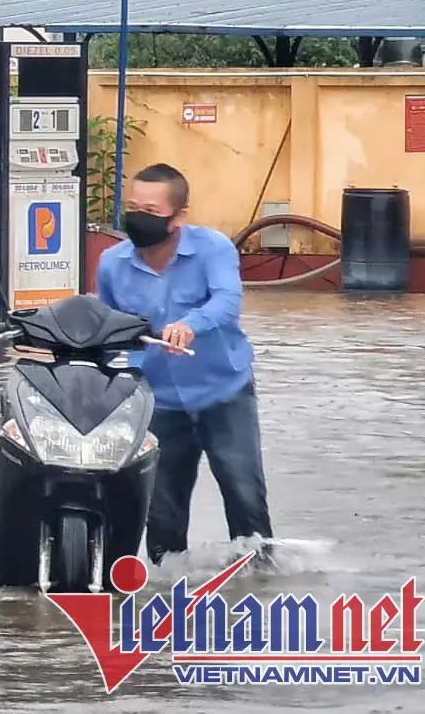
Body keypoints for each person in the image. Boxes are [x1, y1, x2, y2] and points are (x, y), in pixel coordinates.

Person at [94, 162, 273, 564]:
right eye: (133, 208)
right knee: (161, 514)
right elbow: (108, 329)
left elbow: (227, 301)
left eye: (151, 212)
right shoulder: (112, 263)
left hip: (224, 394)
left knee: (245, 498)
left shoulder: (213, 249)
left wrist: (190, 325)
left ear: (178, 217)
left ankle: (261, 584)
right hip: (158, 404)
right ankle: (165, 591)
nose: (139, 218)